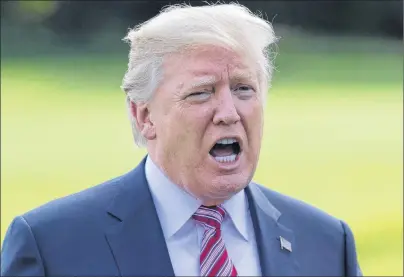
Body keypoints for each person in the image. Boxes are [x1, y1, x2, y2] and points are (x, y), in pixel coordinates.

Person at [1, 3, 362, 277]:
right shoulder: (51, 246)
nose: (229, 112)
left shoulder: (328, 243)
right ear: (144, 115)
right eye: (201, 93)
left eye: (243, 89)